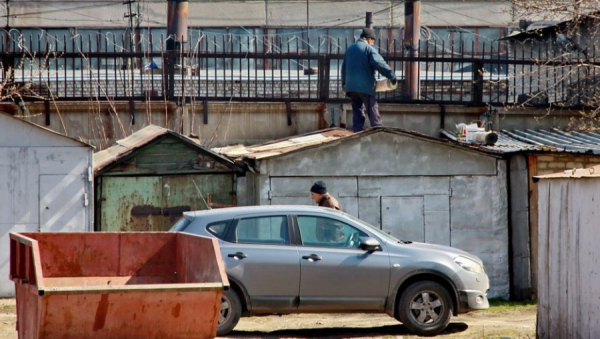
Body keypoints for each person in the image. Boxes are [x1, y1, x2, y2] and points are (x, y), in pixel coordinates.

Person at [341, 28, 397, 132]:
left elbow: (343, 68)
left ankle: (357, 132)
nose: (373, 43)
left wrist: (344, 84)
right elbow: (379, 63)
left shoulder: (349, 49)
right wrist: (391, 75)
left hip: (351, 87)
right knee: (372, 109)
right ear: (368, 39)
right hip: (365, 86)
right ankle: (378, 131)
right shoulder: (368, 49)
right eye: (373, 41)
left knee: (357, 111)